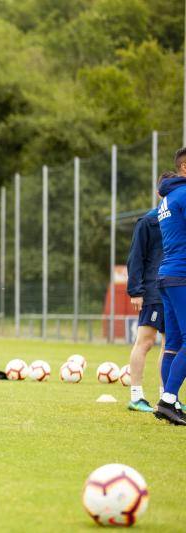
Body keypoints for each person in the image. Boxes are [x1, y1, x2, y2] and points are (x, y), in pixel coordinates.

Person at [125, 171, 176, 412]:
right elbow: (136, 257)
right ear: (159, 194)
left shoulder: (177, 219)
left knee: (170, 345)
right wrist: (136, 291)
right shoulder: (148, 221)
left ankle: (166, 397)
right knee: (145, 343)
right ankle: (136, 395)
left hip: (173, 288)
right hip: (153, 292)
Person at [154, 149, 186, 424]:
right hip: (181, 275)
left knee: (173, 344)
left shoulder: (169, 198)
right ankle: (168, 399)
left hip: (167, 275)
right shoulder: (184, 195)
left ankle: (170, 402)